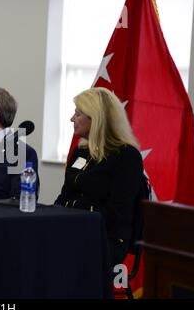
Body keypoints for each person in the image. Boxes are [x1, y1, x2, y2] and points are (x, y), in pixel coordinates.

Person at [54, 87, 144, 268]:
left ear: (96, 118)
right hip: (72, 228)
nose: (72, 119)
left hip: (105, 237)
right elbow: (65, 196)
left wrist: (73, 226)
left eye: (78, 114)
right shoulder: (81, 150)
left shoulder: (127, 155)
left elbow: (118, 213)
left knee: (53, 257)